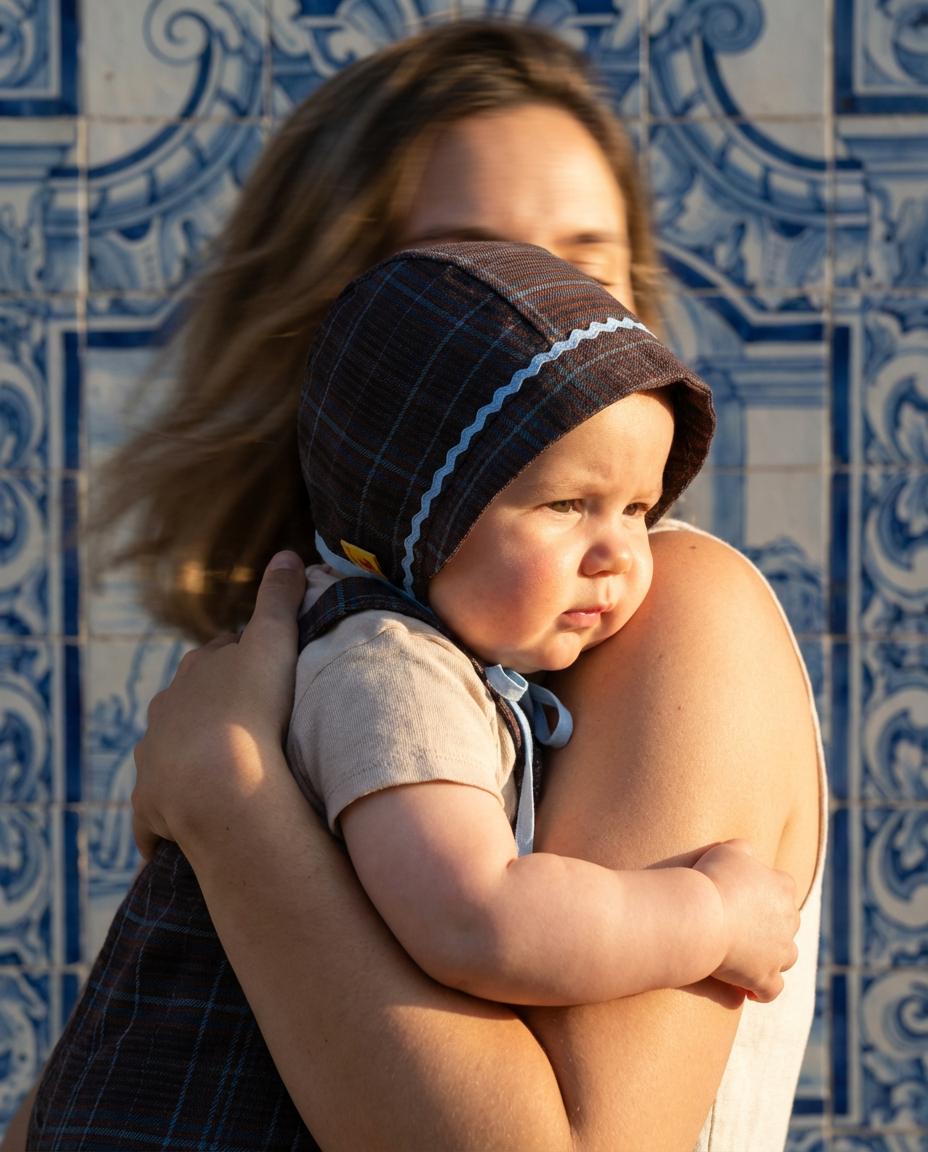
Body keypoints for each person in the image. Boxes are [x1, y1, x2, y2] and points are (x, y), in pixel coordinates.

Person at [7, 21, 824, 1152]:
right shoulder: (352, 658)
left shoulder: (680, 614)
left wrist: (233, 806)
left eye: (585, 269)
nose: (540, 320)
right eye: (474, 270)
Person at [286, 240, 798, 1007]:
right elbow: (478, 921)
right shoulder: (387, 670)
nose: (618, 553)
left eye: (637, 509)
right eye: (566, 505)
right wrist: (712, 917)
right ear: (416, 517)